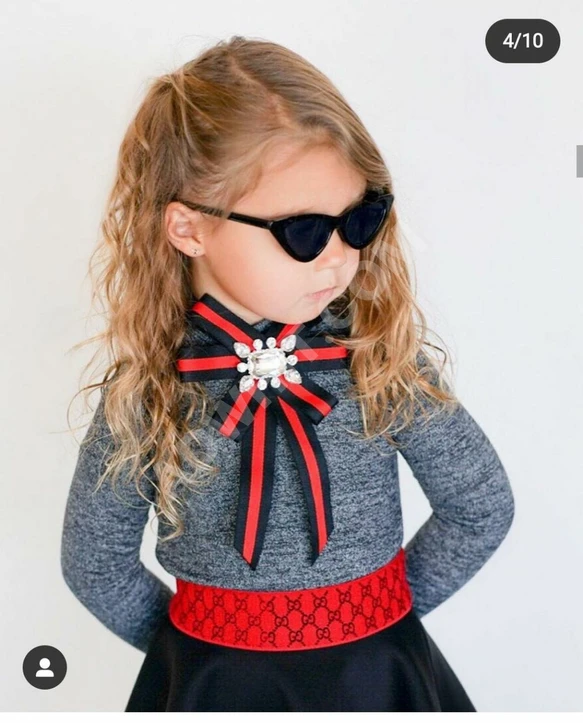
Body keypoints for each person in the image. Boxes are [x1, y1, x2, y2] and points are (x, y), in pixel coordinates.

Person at [60, 35, 515, 712]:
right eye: (302, 231)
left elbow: (479, 506)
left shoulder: (379, 357)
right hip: (217, 688)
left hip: (377, 677)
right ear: (189, 228)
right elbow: (95, 563)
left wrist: (375, 621)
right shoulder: (147, 392)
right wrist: (197, 654)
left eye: (358, 220)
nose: (337, 258)